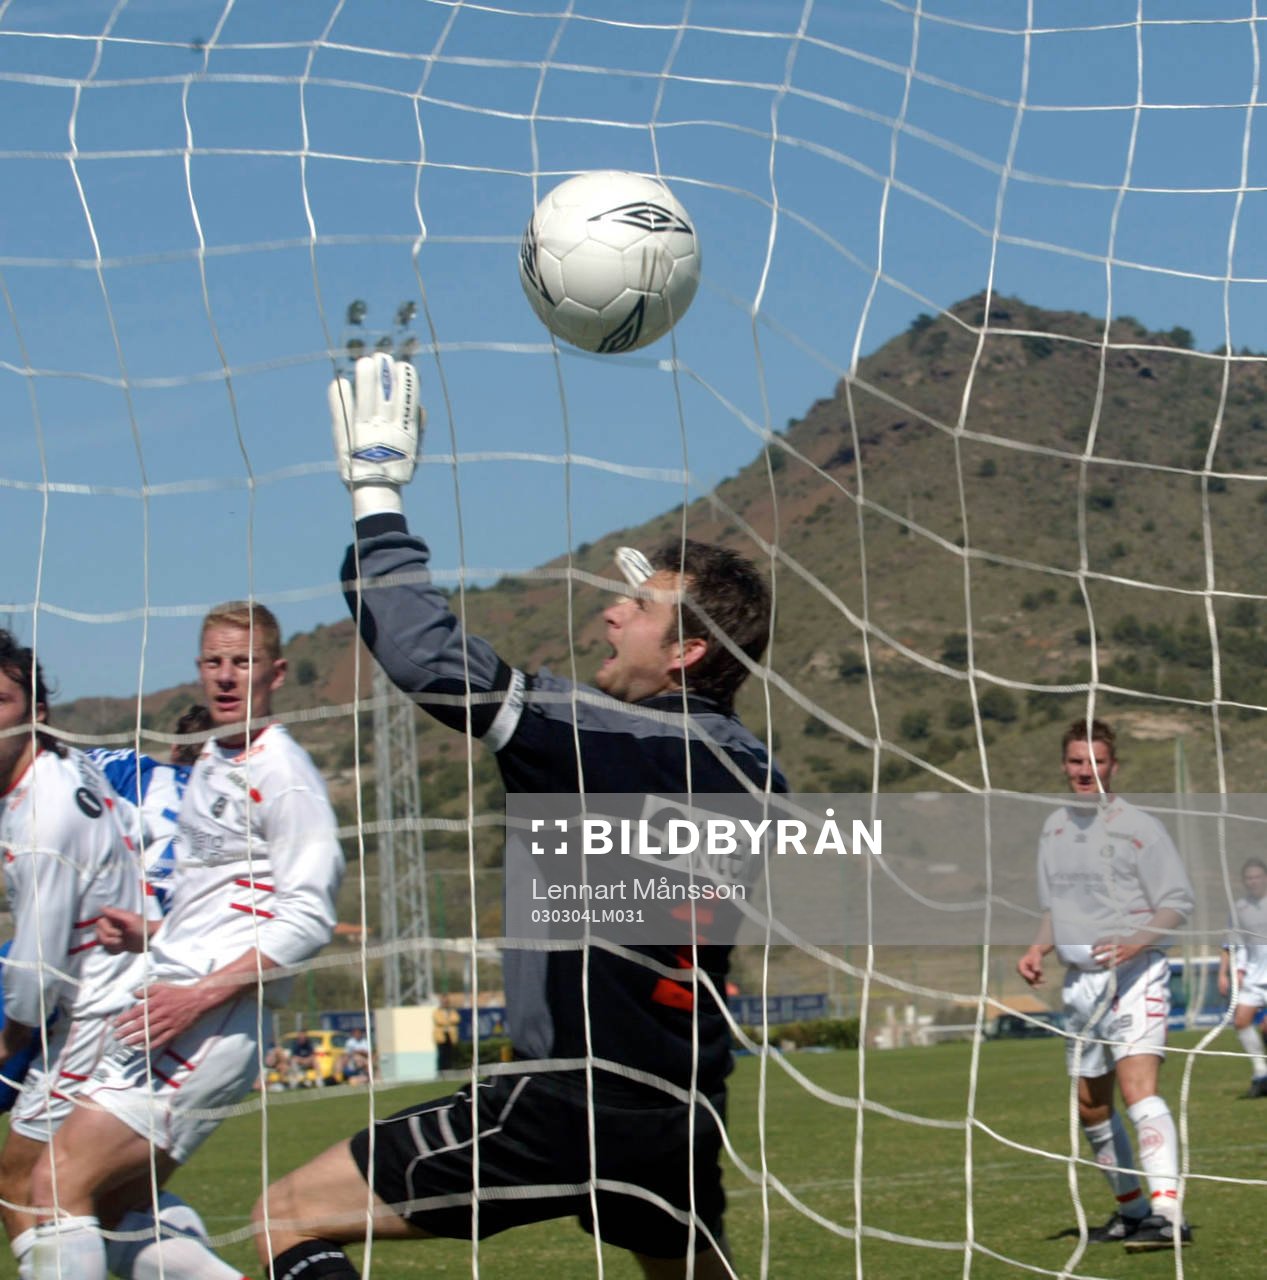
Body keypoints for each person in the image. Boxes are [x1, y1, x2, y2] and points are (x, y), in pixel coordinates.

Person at [255, 352, 786, 1280]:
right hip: (680, 1098)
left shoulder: (604, 742)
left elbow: (425, 655)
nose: (608, 619)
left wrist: (376, 494)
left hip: (568, 1099)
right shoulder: (756, 772)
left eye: (635, 606)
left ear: (687, 650)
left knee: (284, 1219)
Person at [27, 602, 345, 1279]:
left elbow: (308, 918)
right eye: (214, 661)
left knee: (53, 1187)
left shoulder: (282, 775)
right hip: (170, 1004)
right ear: (199, 668)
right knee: (116, 1212)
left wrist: (197, 995)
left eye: (244, 662)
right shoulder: (211, 761)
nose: (227, 677)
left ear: (276, 672)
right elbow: (224, 903)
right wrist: (151, 931)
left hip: (209, 1018)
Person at [1017, 718, 1195, 1252]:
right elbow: (1056, 907)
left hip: (1135, 974)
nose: (1085, 772)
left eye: (1096, 762)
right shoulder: (1053, 828)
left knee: (1139, 1089)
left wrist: (1136, 942)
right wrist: (1037, 947)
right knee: (1091, 1106)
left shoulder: (1140, 827)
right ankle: (1133, 1210)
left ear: (1113, 767)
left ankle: (1168, 1213)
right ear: (1064, 765)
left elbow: (1178, 903)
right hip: (1081, 985)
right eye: (1076, 762)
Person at [88, 703, 213, 914]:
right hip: (197, 928)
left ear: (175, 747)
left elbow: (71, 763)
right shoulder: (240, 804)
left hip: (122, 918)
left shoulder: (137, 771)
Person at [1218, 856, 1267, 1096]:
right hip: (1253, 976)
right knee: (1241, 1022)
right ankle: (1260, 1074)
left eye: (1258, 876)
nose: (1253, 881)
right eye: (1249, 878)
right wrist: (1224, 974)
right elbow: (1230, 943)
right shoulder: (1239, 908)